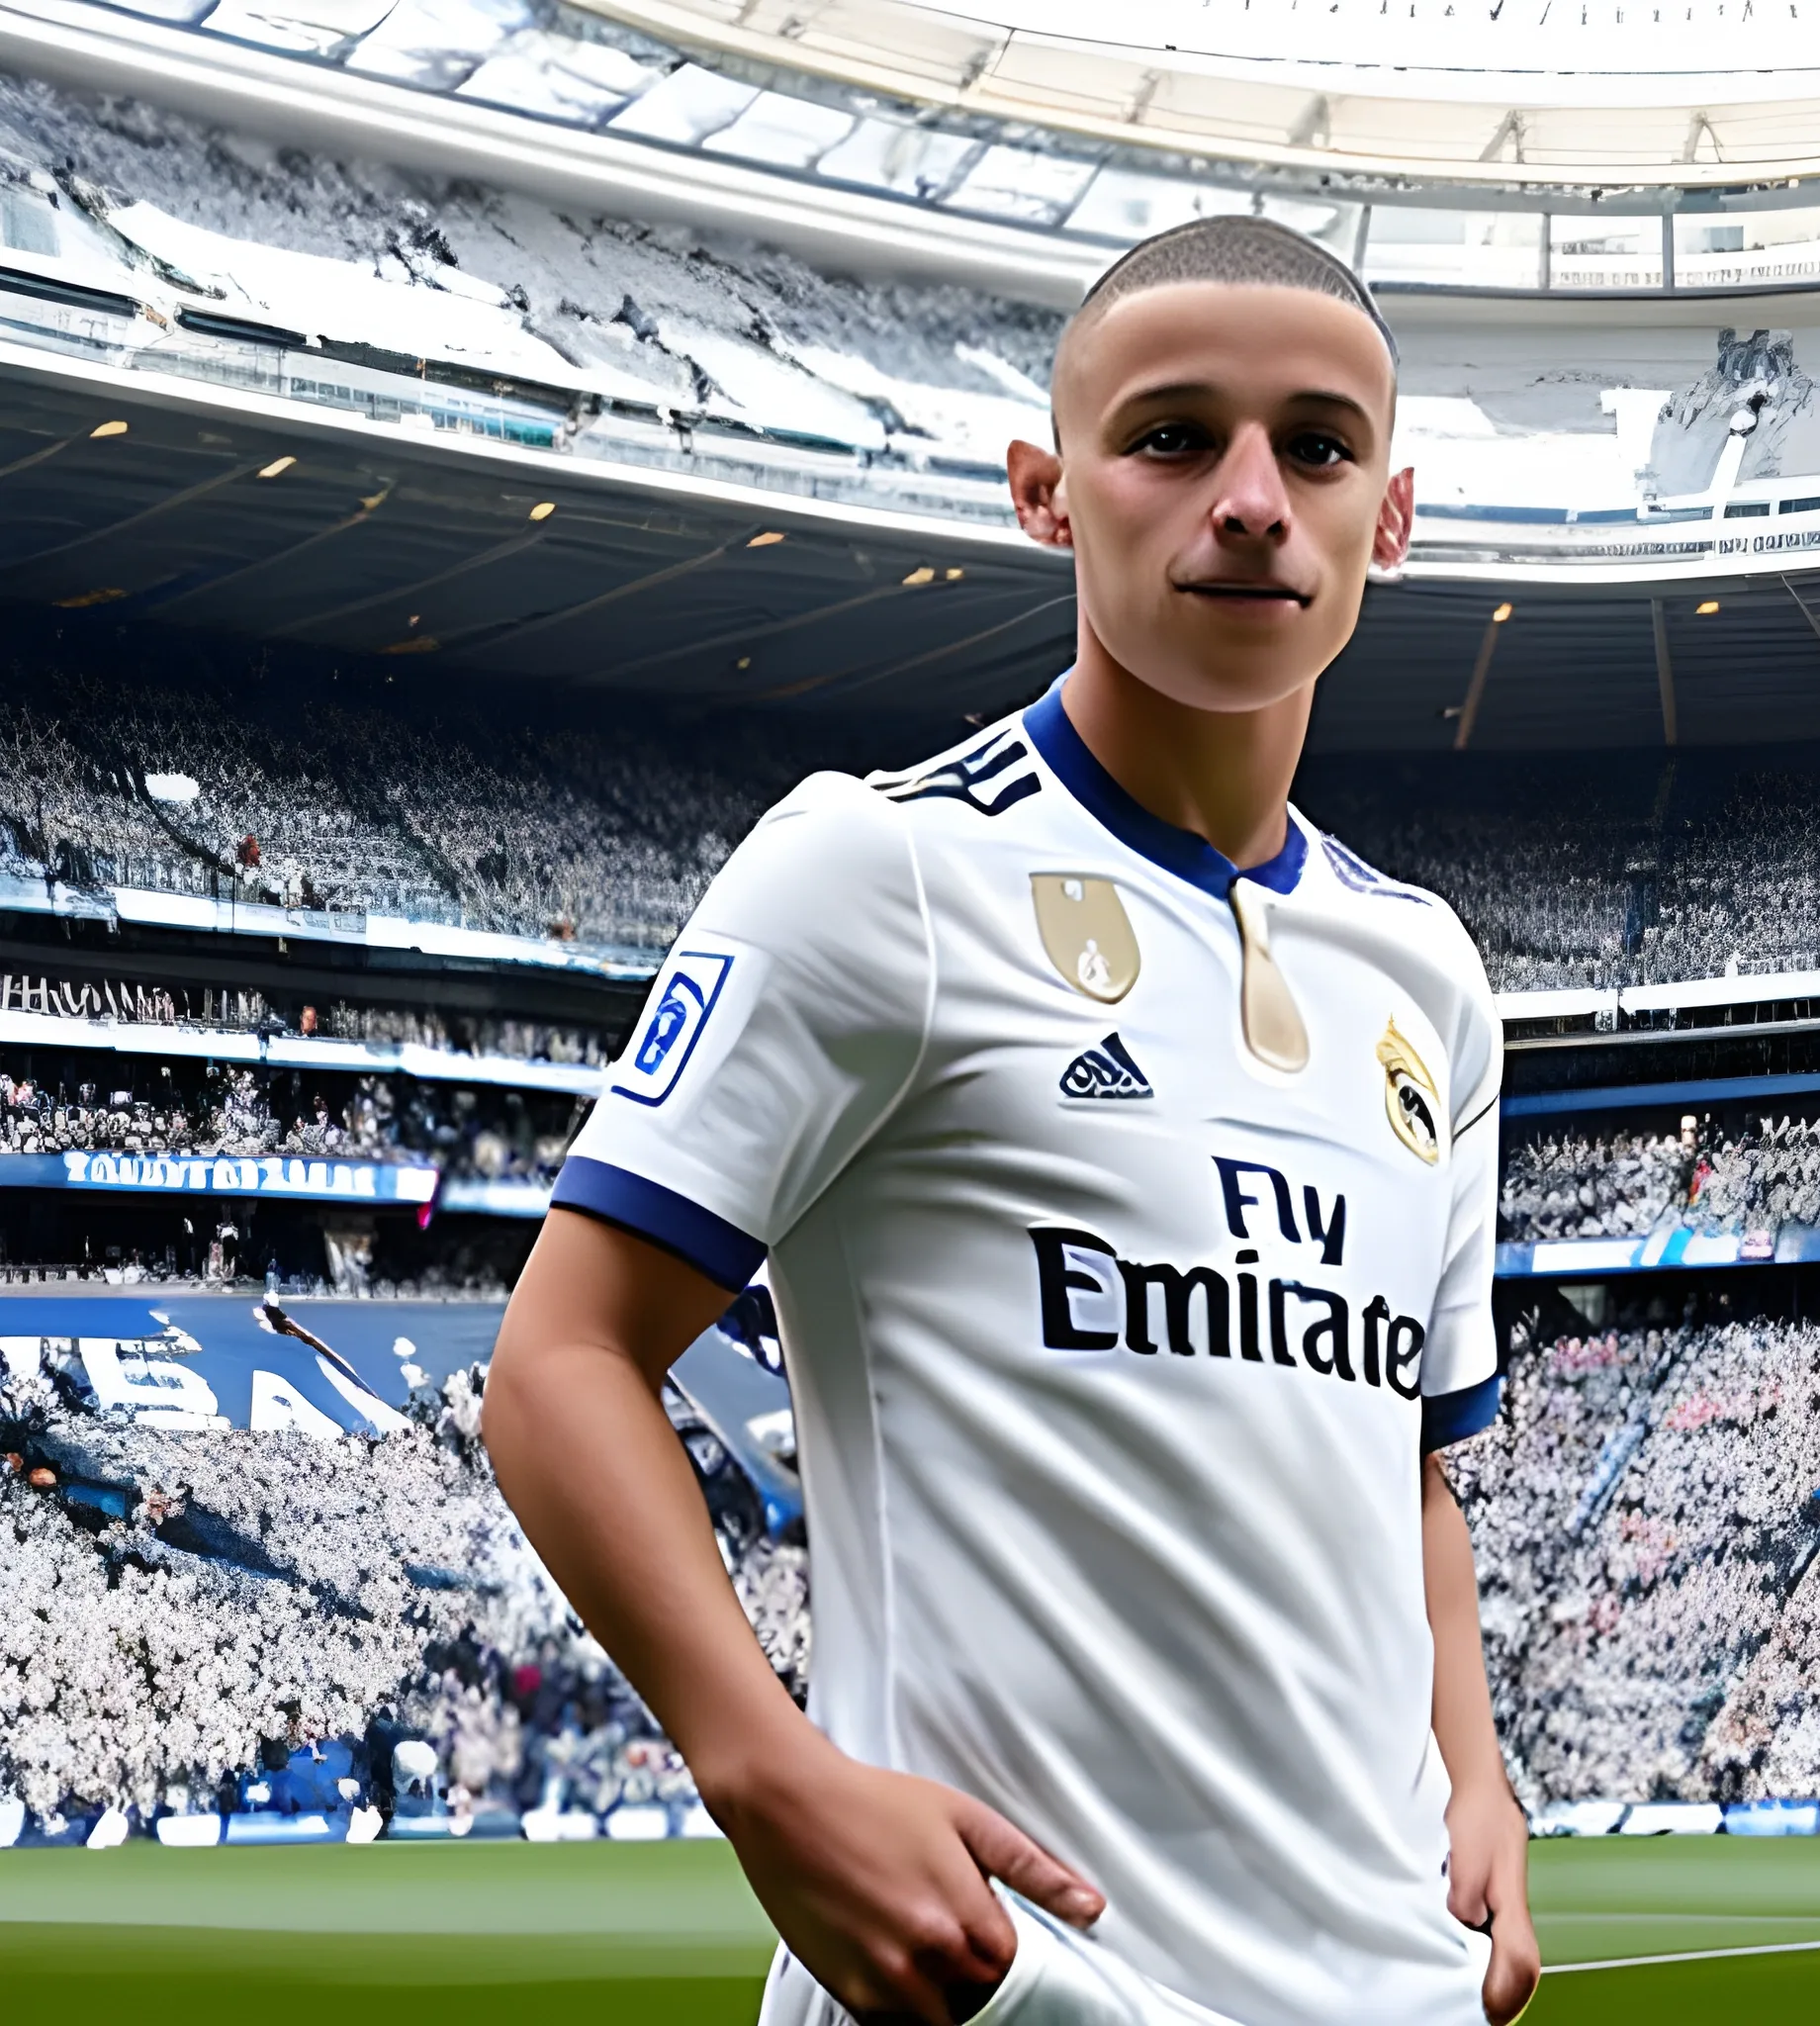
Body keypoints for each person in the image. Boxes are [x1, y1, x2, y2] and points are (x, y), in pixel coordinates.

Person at [486, 216, 1538, 2026]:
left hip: (1396, 1991)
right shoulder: (879, 870)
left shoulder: (1429, 976)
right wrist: (768, 1774)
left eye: (1316, 446)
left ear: (1394, 513)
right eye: (1171, 436)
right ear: (1048, 494)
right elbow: (560, 1363)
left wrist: (1481, 1767)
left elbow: (1406, 1458)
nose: (1250, 497)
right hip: (1017, 1987)